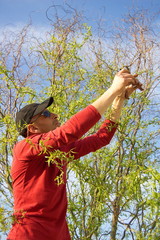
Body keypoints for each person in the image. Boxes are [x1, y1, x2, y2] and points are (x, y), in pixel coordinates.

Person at [7, 69, 143, 240]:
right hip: (29, 233)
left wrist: (120, 98)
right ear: (33, 128)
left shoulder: (60, 152)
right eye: (46, 114)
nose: (55, 115)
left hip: (60, 234)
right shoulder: (24, 147)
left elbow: (102, 138)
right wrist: (113, 89)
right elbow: (70, 131)